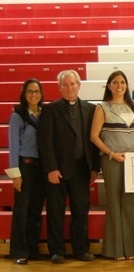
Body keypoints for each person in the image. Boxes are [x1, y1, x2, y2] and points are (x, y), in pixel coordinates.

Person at [37, 70, 100, 264]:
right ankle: (57, 251)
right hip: (58, 170)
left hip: (82, 169)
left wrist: (94, 167)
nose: (69, 88)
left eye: (72, 84)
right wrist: (51, 168)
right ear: (59, 87)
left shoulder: (91, 109)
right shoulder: (50, 110)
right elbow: (45, 142)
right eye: (65, 85)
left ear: (79, 85)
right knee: (55, 211)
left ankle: (81, 250)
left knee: (81, 211)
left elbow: (94, 140)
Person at [89, 71, 134, 261]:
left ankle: (129, 248)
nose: (119, 85)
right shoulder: (102, 107)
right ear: (109, 85)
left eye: (122, 82)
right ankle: (114, 250)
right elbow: (94, 136)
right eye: (115, 82)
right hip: (112, 159)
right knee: (113, 202)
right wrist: (111, 153)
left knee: (130, 203)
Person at [7, 78, 47, 265]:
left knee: (35, 210)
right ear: (24, 94)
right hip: (25, 166)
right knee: (21, 210)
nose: (33, 95)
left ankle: (32, 248)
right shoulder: (17, 116)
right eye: (30, 91)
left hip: (41, 168)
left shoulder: (44, 114)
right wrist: (16, 174)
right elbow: (13, 145)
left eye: (37, 91)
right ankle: (18, 251)